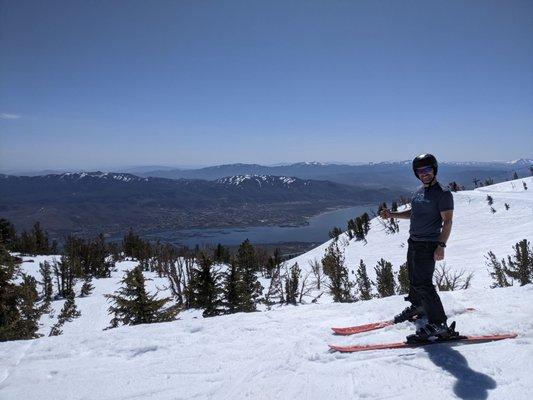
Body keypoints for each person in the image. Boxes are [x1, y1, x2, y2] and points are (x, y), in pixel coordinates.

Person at [379, 153, 454, 340]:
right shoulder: (420, 192)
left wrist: (441, 246)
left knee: (424, 283)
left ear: (434, 169)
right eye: (420, 171)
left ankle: (439, 324)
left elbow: (448, 221)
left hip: (428, 244)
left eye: (427, 169)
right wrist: (392, 215)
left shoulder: (443, 194)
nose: (424, 173)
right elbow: (414, 213)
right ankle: (419, 307)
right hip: (414, 242)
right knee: (413, 279)